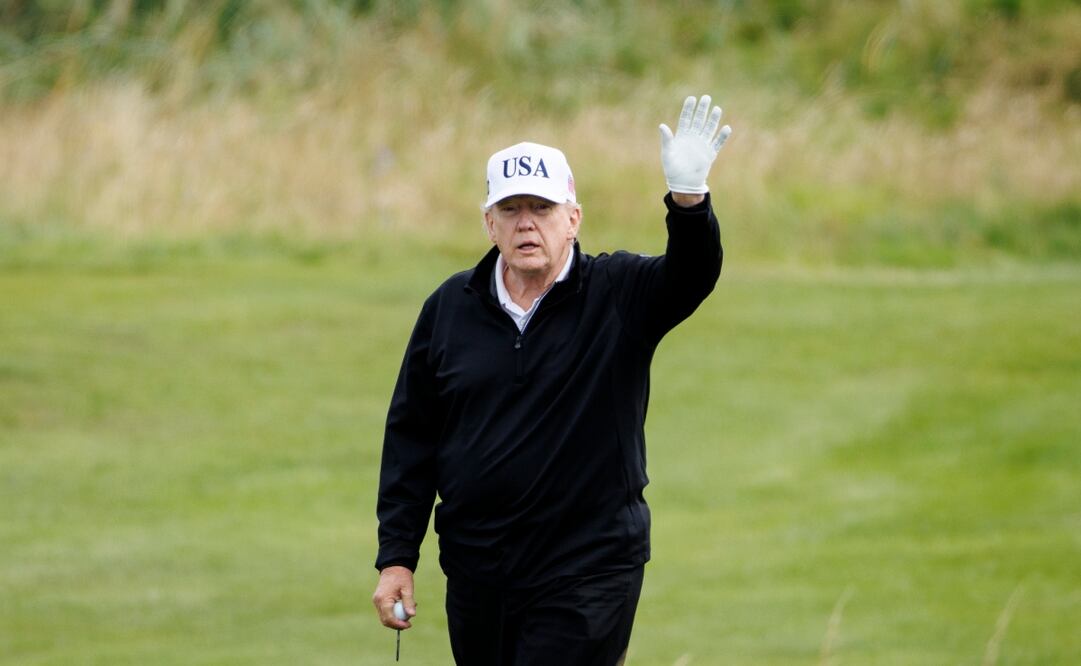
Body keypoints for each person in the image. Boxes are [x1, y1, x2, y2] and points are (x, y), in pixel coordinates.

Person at [372, 94, 732, 664]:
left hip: (587, 571)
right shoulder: (449, 308)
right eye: (510, 209)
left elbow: (691, 276)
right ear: (489, 224)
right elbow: (412, 439)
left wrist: (688, 203)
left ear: (573, 218)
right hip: (478, 573)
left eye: (540, 208)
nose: (526, 224)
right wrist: (397, 557)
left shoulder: (618, 293)